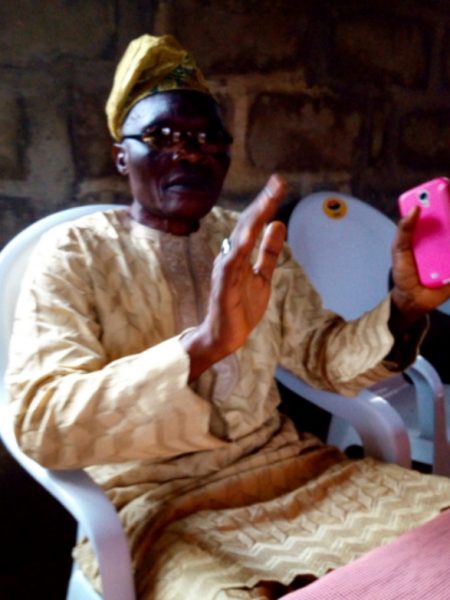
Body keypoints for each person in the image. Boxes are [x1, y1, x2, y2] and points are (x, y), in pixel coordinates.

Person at [6, 34, 450, 600]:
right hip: (160, 506)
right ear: (121, 156)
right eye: (162, 136)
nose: (190, 152)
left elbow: (324, 359)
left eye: (206, 138)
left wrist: (406, 304)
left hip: (300, 473)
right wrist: (203, 347)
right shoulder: (75, 253)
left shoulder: (252, 242)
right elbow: (42, 423)